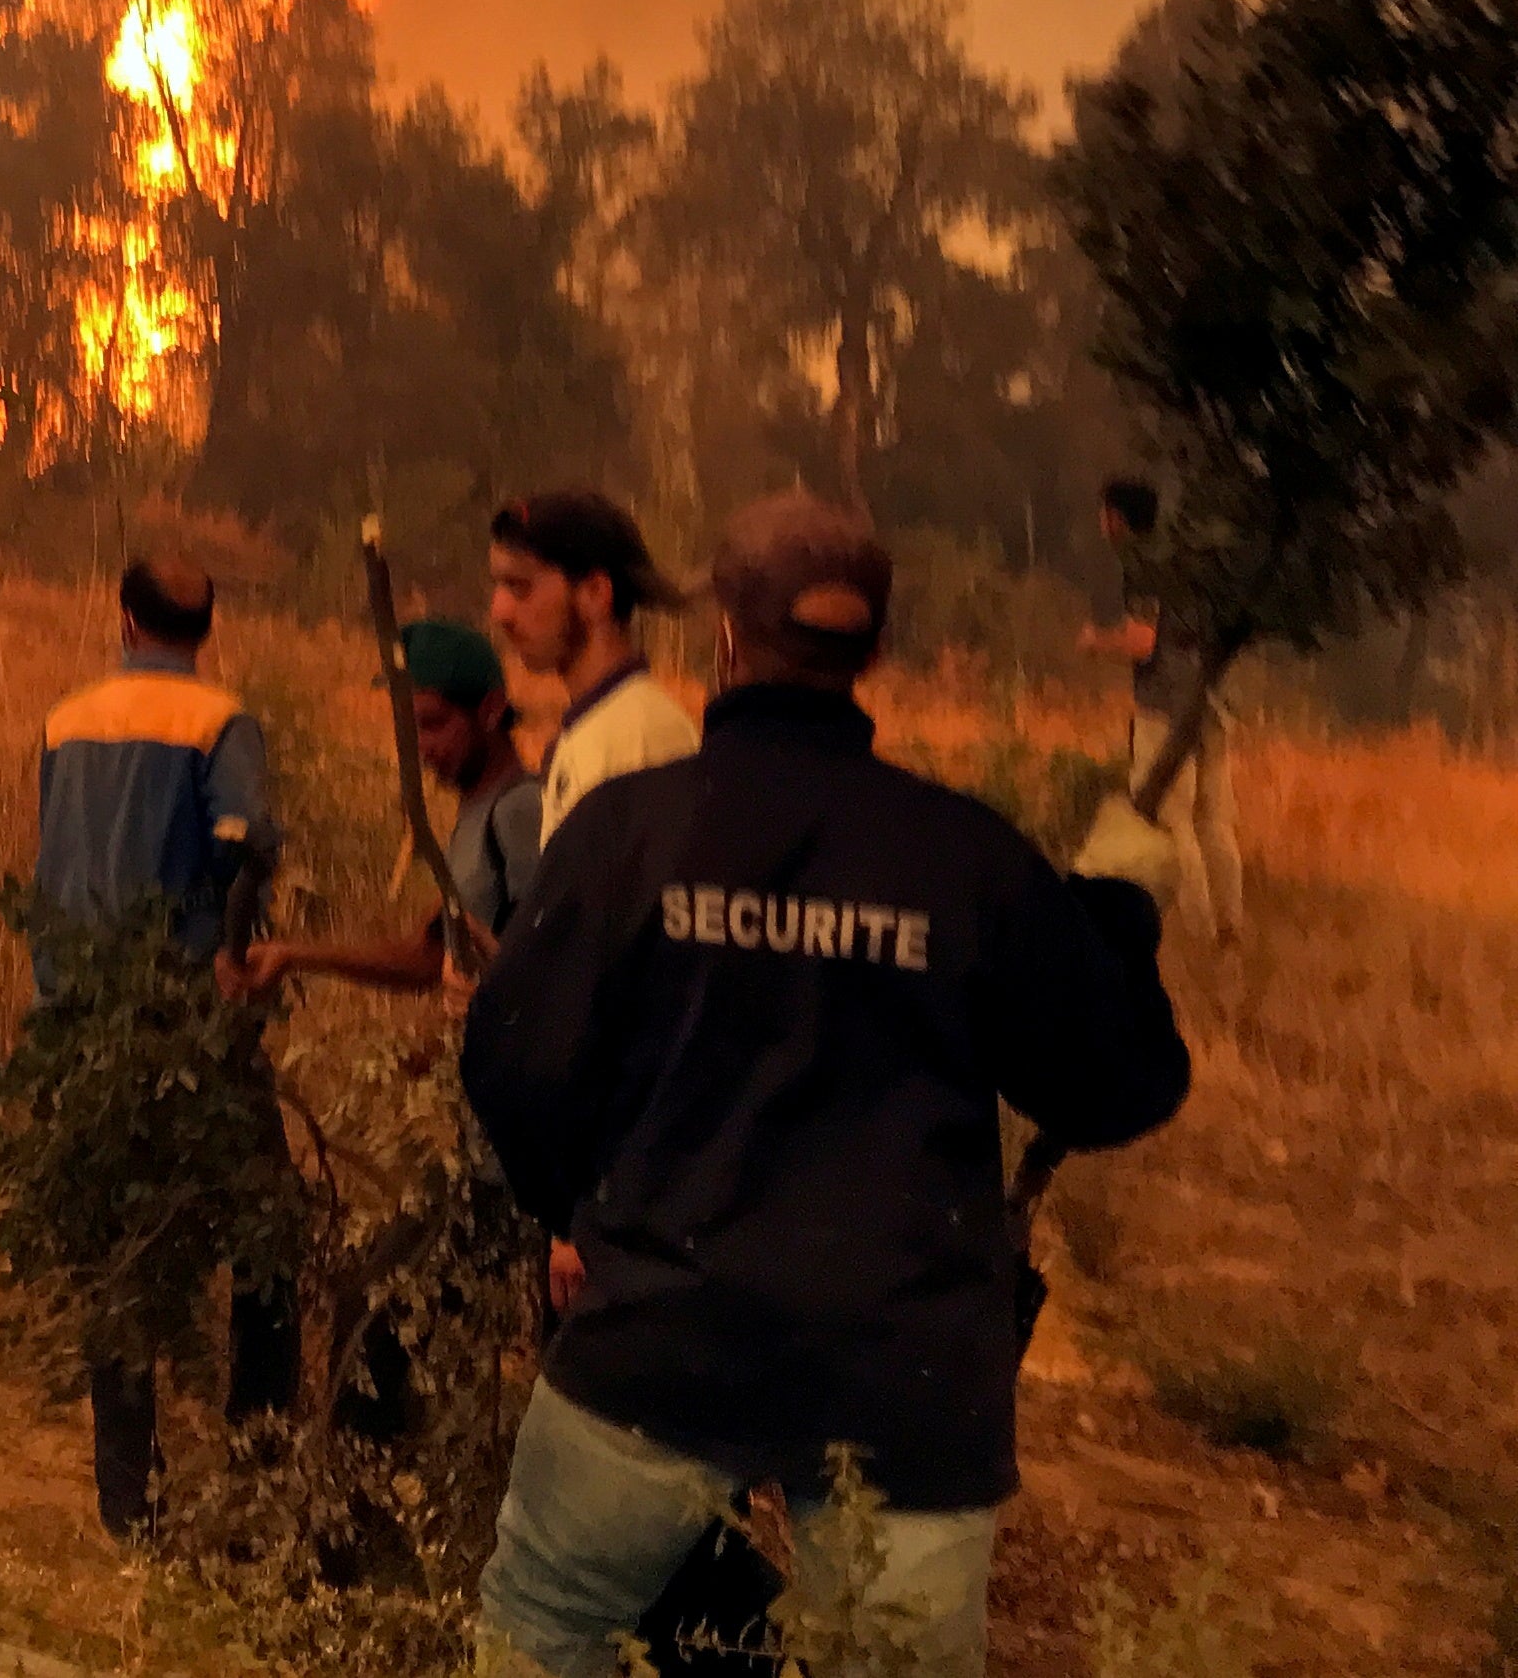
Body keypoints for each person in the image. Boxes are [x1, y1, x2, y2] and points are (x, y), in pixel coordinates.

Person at [460, 494, 1191, 1677]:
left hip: (658, 1338)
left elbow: (507, 1064)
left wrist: (583, 1212)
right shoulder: (966, 860)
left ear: (725, 637)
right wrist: (1114, 917)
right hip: (901, 1380)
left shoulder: (632, 832)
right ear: (879, 655)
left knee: (546, 1630)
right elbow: (1120, 1087)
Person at [30, 556, 285, 1541]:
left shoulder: (63, 721)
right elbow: (247, 841)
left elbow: (49, 866)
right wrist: (237, 952)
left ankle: (129, 1500)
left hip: (81, 1020)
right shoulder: (222, 723)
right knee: (267, 1239)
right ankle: (262, 1469)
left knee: (120, 1250)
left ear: (126, 616)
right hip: (190, 1025)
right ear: (205, 626)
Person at [223, 617, 531, 1005]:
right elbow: (426, 961)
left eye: (434, 724)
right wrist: (292, 954)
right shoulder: (478, 814)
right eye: (411, 729)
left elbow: (552, 966)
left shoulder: (519, 812)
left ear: (490, 710)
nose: (422, 747)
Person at [1077, 475, 1235, 945]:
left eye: (1103, 513)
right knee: (1216, 823)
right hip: (1210, 704)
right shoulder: (1188, 560)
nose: (1100, 523)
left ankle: (1201, 938)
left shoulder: (1141, 565)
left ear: (1117, 519)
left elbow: (1143, 642)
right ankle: (1231, 931)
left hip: (1165, 712)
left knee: (1175, 824)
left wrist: (1095, 641)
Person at [488, 492, 698, 833]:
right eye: (498, 586)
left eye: (520, 587)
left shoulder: (640, 741)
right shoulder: (596, 731)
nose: (499, 612)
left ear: (595, 593)